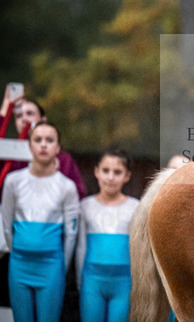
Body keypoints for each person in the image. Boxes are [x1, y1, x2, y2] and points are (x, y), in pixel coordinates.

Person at [1, 121, 79, 321]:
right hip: (19, 265)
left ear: (58, 148)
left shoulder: (67, 187)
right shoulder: (13, 181)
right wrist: (19, 251)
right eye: (38, 139)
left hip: (51, 266)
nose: (43, 144)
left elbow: (71, 234)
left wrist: (60, 266)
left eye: (49, 140)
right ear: (29, 145)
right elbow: (6, 225)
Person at [76, 148, 139, 322]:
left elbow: (139, 251)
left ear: (127, 176)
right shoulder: (85, 206)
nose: (110, 177)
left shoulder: (135, 207)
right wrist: (80, 282)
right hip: (92, 283)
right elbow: (81, 246)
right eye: (105, 170)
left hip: (123, 285)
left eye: (117, 172)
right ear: (97, 172)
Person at [0, 85, 87, 199]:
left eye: (30, 113)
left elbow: (78, 196)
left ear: (43, 119)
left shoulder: (63, 160)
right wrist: (4, 111)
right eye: (19, 116)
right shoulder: (8, 155)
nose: (24, 119)